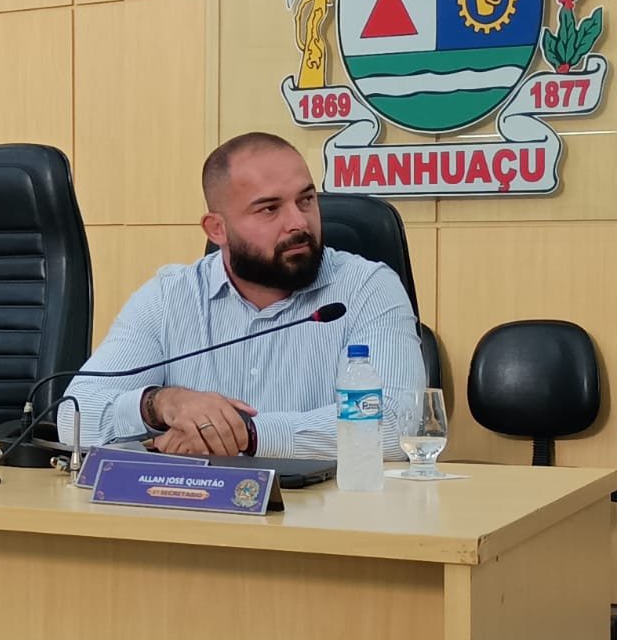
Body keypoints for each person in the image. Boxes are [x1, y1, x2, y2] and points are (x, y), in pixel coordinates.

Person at [56, 132, 423, 458]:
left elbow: (395, 422)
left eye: (306, 200)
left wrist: (246, 435)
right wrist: (160, 403)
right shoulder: (170, 297)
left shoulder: (366, 288)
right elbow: (73, 417)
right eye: (269, 209)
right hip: (196, 507)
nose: (298, 222)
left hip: (325, 509)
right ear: (217, 229)